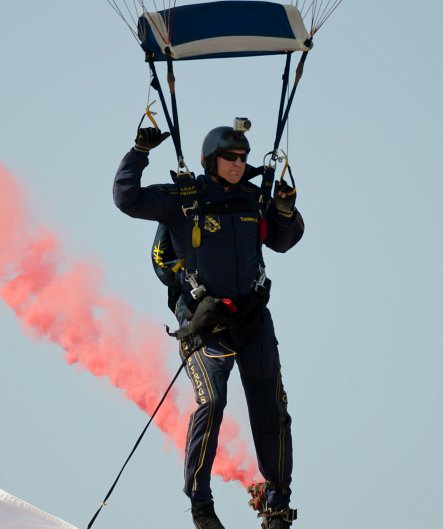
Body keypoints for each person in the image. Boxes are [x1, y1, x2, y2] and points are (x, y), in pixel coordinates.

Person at [113, 123, 304, 529]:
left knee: (271, 406)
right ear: (211, 160)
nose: (239, 164)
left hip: (252, 318)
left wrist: (284, 212)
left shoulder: (255, 200)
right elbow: (126, 200)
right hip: (204, 323)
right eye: (231, 158)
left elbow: (283, 241)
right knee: (213, 402)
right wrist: (138, 152)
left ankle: (277, 501)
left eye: (243, 158)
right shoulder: (185, 200)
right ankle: (200, 502)